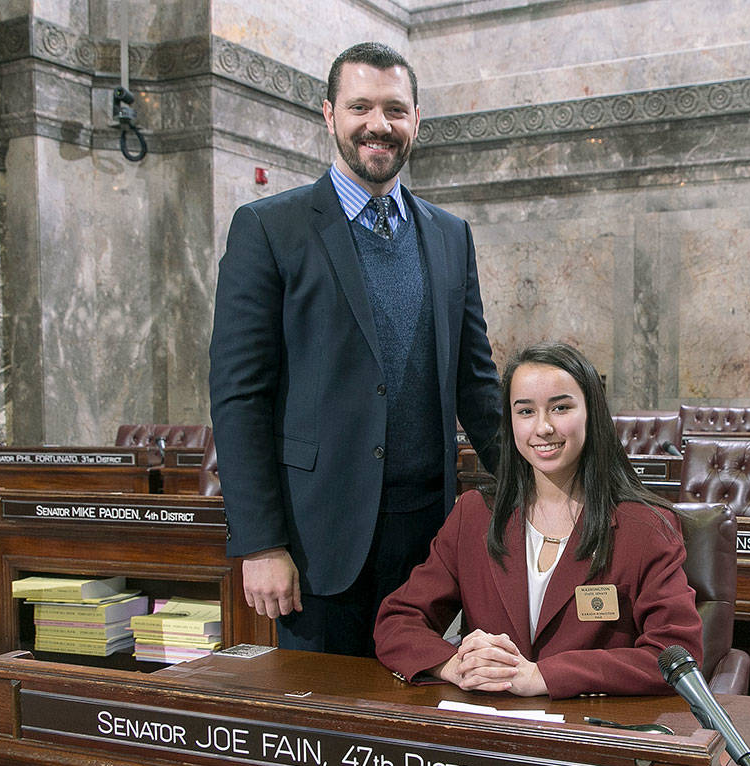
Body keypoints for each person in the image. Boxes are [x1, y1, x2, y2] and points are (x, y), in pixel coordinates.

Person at [209, 42, 501, 656]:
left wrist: (557, 491)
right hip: (317, 538)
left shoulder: (451, 236)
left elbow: (477, 386)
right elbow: (240, 397)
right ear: (328, 113)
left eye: (395, 109)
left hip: (428, 538)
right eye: (360, 106)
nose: (378, 124)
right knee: (323, 732)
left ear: (416, 120)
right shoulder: (269, 229)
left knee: (415, 718)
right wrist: (260, 544)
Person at [374, 343, 702, 698]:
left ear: (591, 412)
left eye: (560, 408)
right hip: (490, 729)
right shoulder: (474, 515)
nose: (543, 427)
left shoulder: (646, 527)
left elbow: (675, 656)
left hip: (592, 734)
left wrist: (543, 676)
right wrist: (452, 664)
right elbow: (398, 621)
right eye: (526, 411)